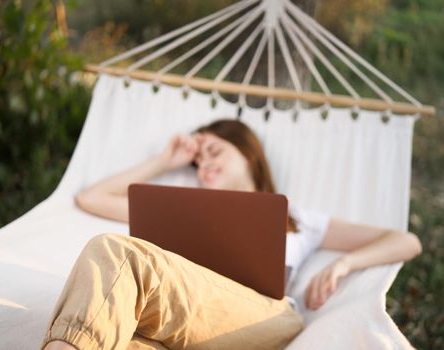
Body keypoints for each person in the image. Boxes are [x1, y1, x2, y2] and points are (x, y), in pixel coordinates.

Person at [42, 118, 422, 350]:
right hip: (185, 325)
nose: (204, 164)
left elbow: (406, 241)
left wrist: (343, 264)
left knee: (117, 254)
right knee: (119, 335)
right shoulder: (182, 208)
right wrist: (165, 161)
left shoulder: (295, 218)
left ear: (248, 153)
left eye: (213, 151)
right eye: (198, 160)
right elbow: (91, 198)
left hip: (264, 323)